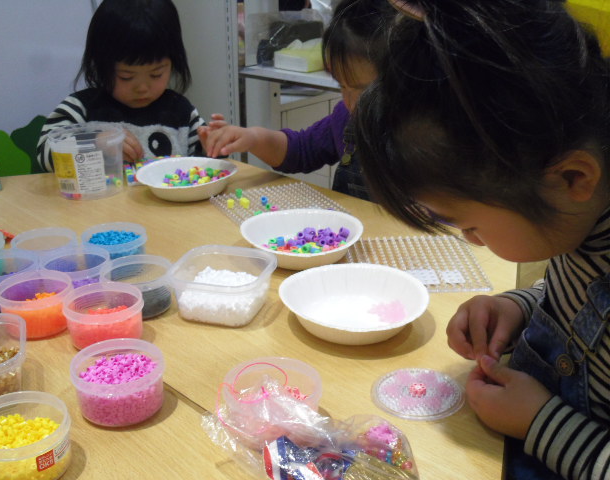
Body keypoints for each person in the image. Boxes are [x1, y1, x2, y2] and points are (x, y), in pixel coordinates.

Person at [353, 0, 610, 479]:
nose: (471, 241)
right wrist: (519, 306)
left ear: (572, 178)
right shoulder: (582, 216)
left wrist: (541, 423)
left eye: (470, 225)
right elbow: (578, 300)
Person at [201, 0, 397, 201]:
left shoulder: (415, 134)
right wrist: (252, 138)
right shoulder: (345, 118)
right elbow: (301, 150)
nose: (351, 103)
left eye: (364, 91)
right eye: (342, 86)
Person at [36, 0, 207, 172]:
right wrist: (96, 144)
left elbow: (204, 167)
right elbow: (44, 155)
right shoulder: (82, 108)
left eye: (156, 74)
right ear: (101, 66)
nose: (142, 88)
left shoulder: (182, 112)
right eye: (126, 77)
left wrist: (215, 146)